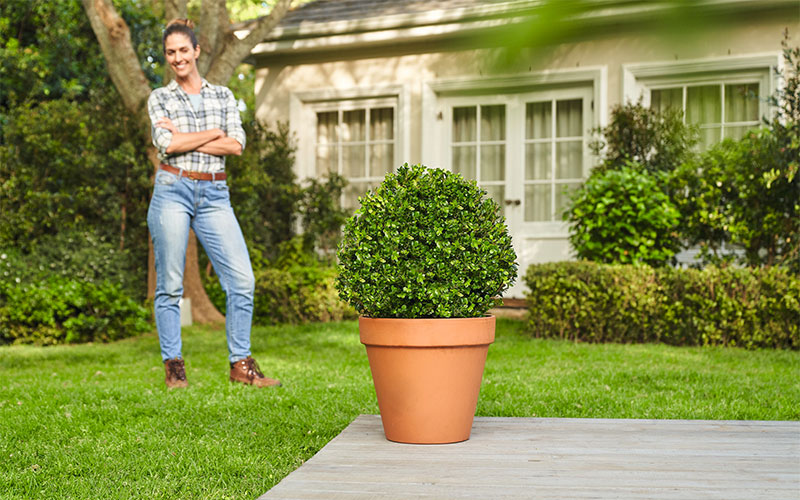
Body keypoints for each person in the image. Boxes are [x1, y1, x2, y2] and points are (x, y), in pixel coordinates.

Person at [147, 19, 280, 389]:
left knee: (242, 280)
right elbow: (166, 146)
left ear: (197, 51)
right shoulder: (160, 97)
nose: (177, 58)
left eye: (183, 50)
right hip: (172, 190)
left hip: (214, 195)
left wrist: (186, 138)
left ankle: (241, 366)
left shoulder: (221, 96)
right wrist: (211, 134)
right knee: (170, 286)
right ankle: (174, 368)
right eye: (170, 52)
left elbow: (236, 145)